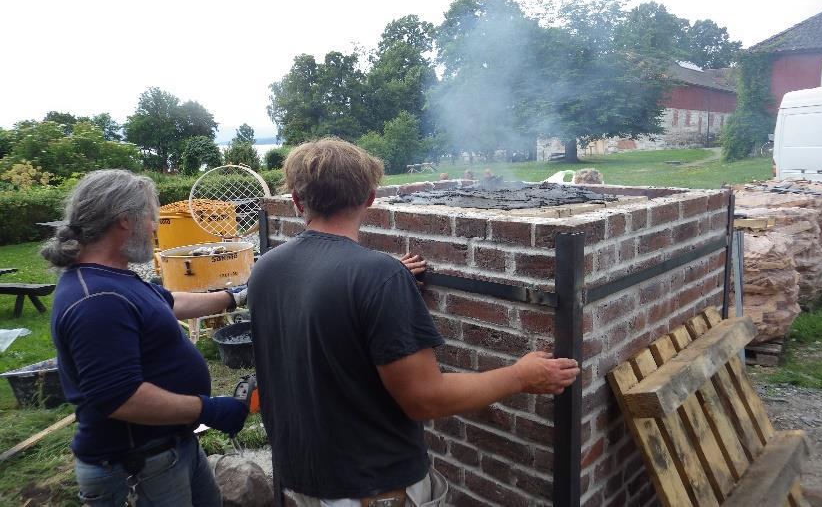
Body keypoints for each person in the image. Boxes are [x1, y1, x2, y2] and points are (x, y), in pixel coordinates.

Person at [248, 138, 580, 507]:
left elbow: (322, 311)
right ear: (370, 198)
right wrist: (521, 376)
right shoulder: (378, 277)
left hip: (302, 483)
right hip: (371, 490)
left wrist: (383, 278)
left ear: (297, 200)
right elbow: (425, 399)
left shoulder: (265, 269)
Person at [42, 169, 249, 507]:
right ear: (124, 220)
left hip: (170, 448)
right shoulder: (97, 301)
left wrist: (234, 297)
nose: (154, 227)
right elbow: (120, 397)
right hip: (137, 467)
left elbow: (167, 303)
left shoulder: (113, 276)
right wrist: (206, 409)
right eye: (151, 217)